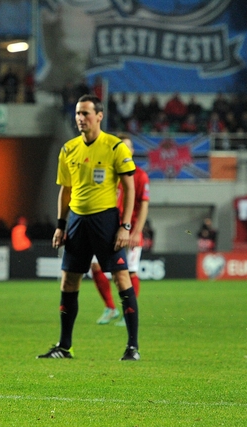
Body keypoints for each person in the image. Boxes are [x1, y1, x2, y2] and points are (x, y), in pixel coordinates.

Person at [38, 94, 139, 361]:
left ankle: (132, 347)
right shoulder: (68, 149)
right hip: (77, 222)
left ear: (99, 116)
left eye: (85, 113)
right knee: (69, 280)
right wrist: (61, 225)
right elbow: (65, 190)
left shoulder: (115, 147)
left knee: (121, 277)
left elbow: (130, 188)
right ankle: (64, 346)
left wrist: (125, 226)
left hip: (106, 221)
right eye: (78, 114)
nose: (80, 119)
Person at [90, 134, 150, 326]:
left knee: (129, 272)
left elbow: (144, 205)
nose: (126, 150)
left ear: (132, 151)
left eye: (128, 147)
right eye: (121, 147)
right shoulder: (109, 173)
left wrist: (136, 231)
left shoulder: (140, 175)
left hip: (130, 230)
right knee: (95, 266)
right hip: (108, 230)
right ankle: (111, 308)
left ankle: (128, 312)